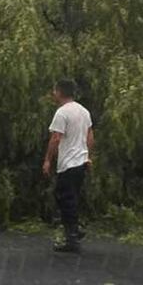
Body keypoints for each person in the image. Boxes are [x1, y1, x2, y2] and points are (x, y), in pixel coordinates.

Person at [41, 78, 93, 253]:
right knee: (71, 196)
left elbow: (56, 138)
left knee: (64, 198)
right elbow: (89, 135)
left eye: (55, 90)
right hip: (81, 162)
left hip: (68, 163)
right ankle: (75, 230)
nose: (53, 93)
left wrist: (48, 160)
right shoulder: (84, 111)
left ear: (60, 92)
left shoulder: (62, 113)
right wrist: (87, 155)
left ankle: (73, 237)